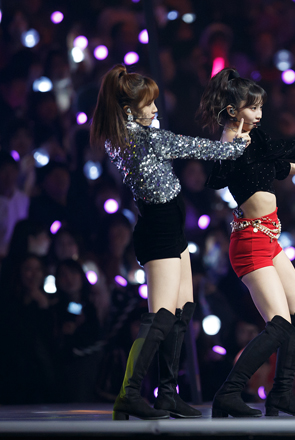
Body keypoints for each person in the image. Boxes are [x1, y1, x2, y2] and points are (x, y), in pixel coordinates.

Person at [90, 64, 250, 420]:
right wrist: (236, 144)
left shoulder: (124, 136)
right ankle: (129, 394)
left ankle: (167, 394)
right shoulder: (144, 138)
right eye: (148, 104)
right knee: (161, 316)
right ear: (129, 110)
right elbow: (197, 147)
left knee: (182, 311)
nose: (155, 109)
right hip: (160, 230)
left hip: (170, 228)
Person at [197, 67, 295, 418]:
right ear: (233, 110)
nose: (260, 113)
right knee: (279, 324)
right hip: (249, 241)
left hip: (270, 238)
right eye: (253, 107)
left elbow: (280, 162)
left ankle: (281, 395)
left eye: (261, 107)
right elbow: (217, 178)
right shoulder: (231, 143)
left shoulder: (255, 139)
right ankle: (229, 393)